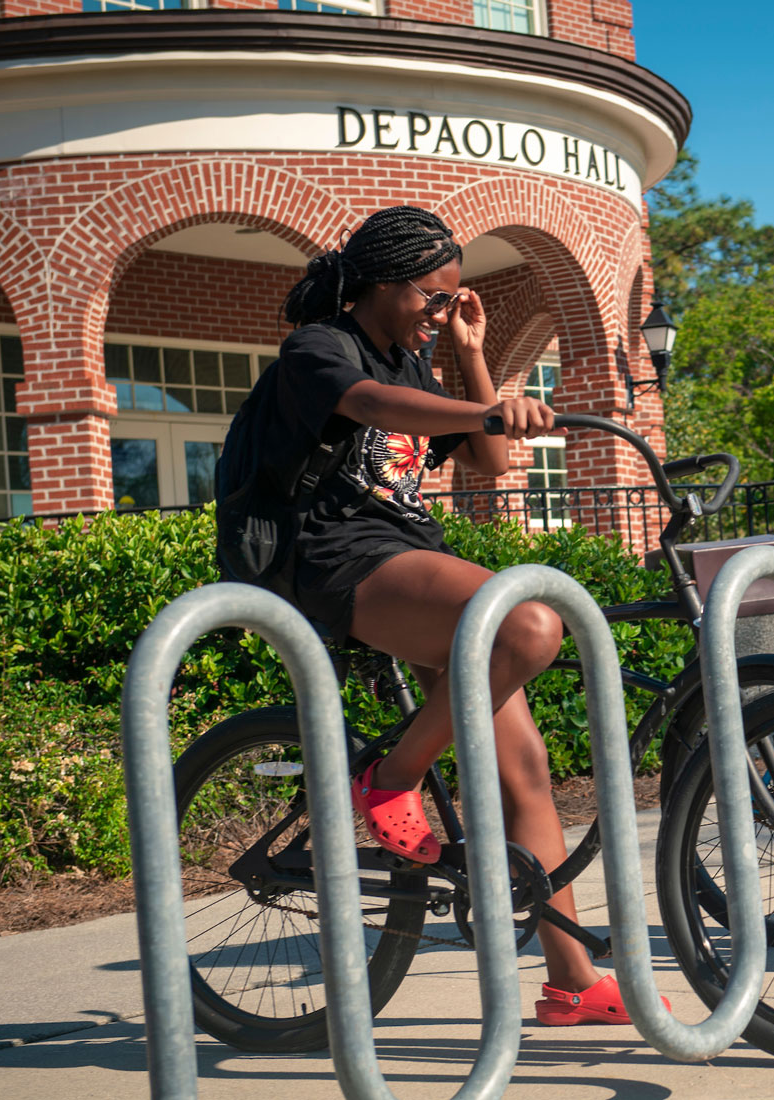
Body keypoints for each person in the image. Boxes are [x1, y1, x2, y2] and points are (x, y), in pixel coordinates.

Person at [219, 205, 657, 1025]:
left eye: (451, 297)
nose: (439, 309)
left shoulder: (423, 362)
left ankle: (572, 982)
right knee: (529, 626)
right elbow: (376, 408)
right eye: (432, 295)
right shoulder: (321, 349)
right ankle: (390, 775)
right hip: (332, 557)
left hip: (410, 556)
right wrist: (478, 410)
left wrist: (472, 357)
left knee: (523, 765)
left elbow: (492, 460)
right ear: (382, 283)